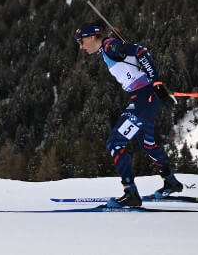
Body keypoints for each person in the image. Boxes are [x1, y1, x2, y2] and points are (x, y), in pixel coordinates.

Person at [75, 21, 184, 208]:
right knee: (148, 144)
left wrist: (156, 81)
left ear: (92, 37)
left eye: (81, 41)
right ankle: (171, 182)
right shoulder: (107, 47)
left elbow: (141, 52)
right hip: (145, 99)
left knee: (115, 143)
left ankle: (130, 193)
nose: (81, 46)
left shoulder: (109, 46)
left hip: (144, 100)